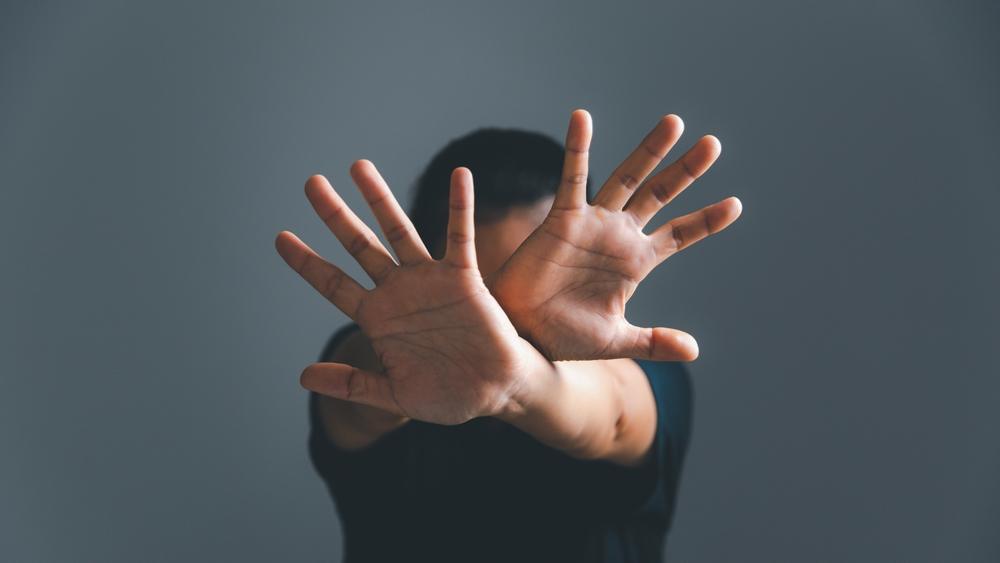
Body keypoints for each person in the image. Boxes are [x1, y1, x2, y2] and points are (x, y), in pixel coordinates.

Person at [275, 110, 742, 563]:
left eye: (539, 290)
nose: (496, 330)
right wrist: (399, 363)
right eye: (479, 296)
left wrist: (516, 381)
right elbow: (355, 396)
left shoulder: (638, 379)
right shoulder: (366, 363)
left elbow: (614, 415)